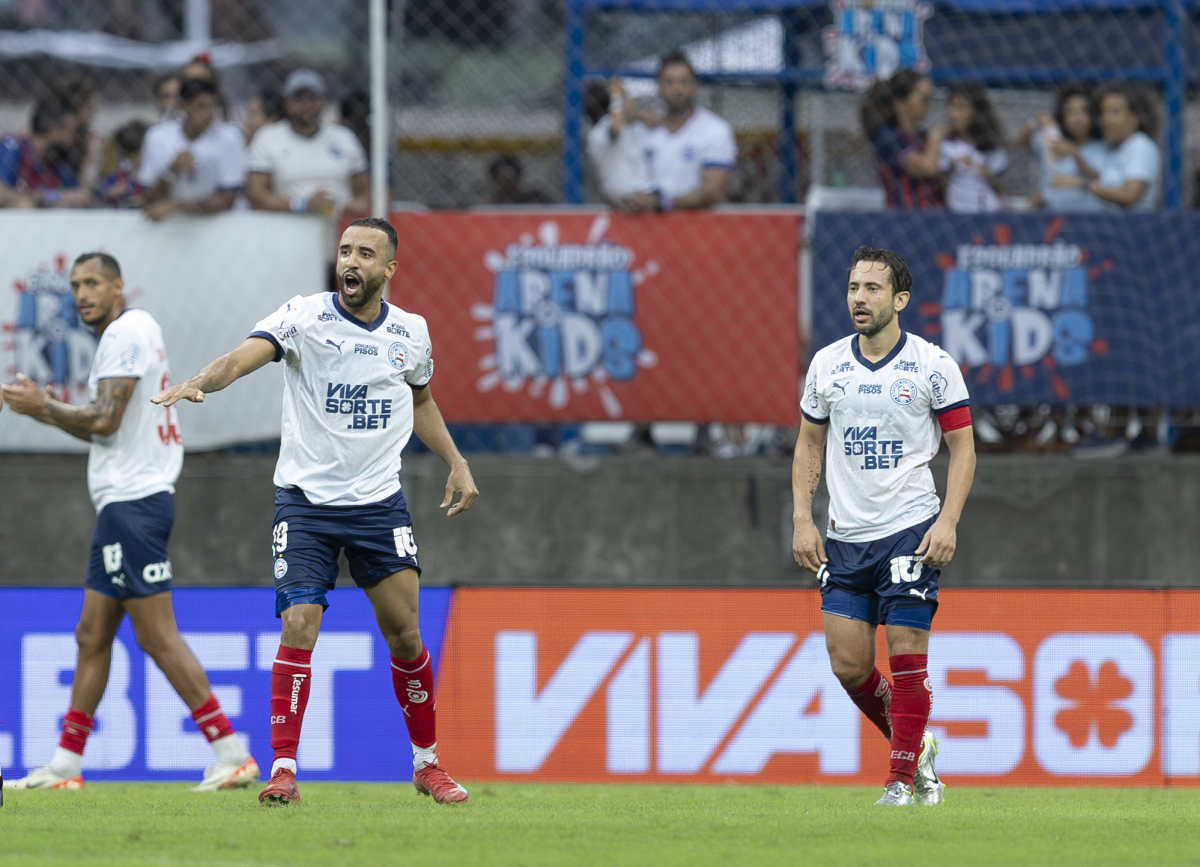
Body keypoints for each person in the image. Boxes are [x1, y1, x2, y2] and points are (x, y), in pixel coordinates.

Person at [152, 217, 479, 806]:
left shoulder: (410, 332)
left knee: (406, 635)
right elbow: (243, 357)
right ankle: (283, 770)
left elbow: (421, 401)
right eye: (345, 251)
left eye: (365, 254)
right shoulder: (304, 316)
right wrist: (203, 380)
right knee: (299, 623)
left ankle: (427, 764)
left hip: (378, 505)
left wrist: (455, 461)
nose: (350, 261)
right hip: (306, 505)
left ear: (389, 269)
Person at [0, 252, 258, 793]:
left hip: (133, 505)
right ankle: (66, 765)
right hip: (125, 503)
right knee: (92, 633)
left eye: (93, 282)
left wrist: (41, 407)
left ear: (119, 286)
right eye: (76, 285)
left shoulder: (124, 333)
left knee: (157, 636)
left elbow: (104, 419)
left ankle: (231, 752)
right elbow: (108, 423)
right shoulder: (133, 332)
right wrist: (45, 407)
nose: (82, 294)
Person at [791, 246, 976, 806]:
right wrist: (802, 517)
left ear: (900, 300)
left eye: (872, 289)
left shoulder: (932, 365)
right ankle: (916, 746)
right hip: (845, 536)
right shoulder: (827, 365)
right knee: (849, 666)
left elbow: (963, 448)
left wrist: (948, 521)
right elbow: (809, 443)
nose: (859, 298)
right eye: (853, 288)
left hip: (909, 530)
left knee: (907, 657)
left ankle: (900, 782)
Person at [246, 68, 369, 220]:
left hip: (339, 226)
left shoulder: (344, 137)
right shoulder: (268, 138)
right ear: (286, 102)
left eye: (313, 97)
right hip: (286, 226)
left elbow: (364, 193)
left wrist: (343, 207)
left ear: (323, 102)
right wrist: (302, 204)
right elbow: (256, 196)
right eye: (298, 98)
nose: (306, 104)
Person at [622, 50, 736, 213]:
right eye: (669, 82)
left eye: (684, 81)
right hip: (647, 224)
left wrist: (663, 203)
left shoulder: (715, 129)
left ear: (694, 86)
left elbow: (712, 192)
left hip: (697, 225)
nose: (677, 89)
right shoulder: (643, 131)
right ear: (659, 87)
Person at [138, 77, 246, 221]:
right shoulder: (157, 137)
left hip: (220, 226)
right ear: (183, 105)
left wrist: (177, 206)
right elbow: (148, 197)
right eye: (201, 106)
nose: (209, 114)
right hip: (170, 228)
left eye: (212, 106)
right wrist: (171, 172)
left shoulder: (229, 137)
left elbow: (227, 199)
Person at [860, 70, 944, 209]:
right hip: (904, 214)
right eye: (924, 99)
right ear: (900, 102)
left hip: (933, 214)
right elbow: (927, 168)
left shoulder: (923, 136)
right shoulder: (888, 137)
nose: (929, 106)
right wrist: (936, 138)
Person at [1019, 84, 1104, 213]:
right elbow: (1021, 143)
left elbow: (1099, 178)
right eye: (1070, 112)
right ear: (1062, 116)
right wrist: (1035, 122)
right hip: (1050, 214)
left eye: (1084, 111)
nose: (1077, 118)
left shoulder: (1103, 146)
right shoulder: (1052, 140)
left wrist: (1075, 154)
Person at [1083, 83, 1160, 211]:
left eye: (1115, 112)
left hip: (1134, 222)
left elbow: (1130, 196)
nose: (1106, 120)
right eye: (1103, 112)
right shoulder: (1114, 147)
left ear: (1135, 117)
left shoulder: (1139, 145)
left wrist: (1085, 185)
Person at [0, 99, 91, 208]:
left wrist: (44, 196)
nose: (71, 141)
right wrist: (28, 199)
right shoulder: (13, 147)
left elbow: (83, 196)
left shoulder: (53, 162)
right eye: (69, 132)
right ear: (52, 128)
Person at [939, 83, 1007, 213]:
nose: (953, 114)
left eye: (960, 108)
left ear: (976, 111)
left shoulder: (991, 146)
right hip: (956, 211)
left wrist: (983, 171)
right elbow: (939, 182)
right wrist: (951, 166)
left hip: (987, 210)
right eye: (951, 106)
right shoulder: (946, 144)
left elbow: (999, 184)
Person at [585, 78, 653, 206]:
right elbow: (616, 129)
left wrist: (622, 92)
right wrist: (616, 97)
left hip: (633, 194)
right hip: (628, 195)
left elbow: (631, 114)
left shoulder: (599, 130)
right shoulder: (601, 129)